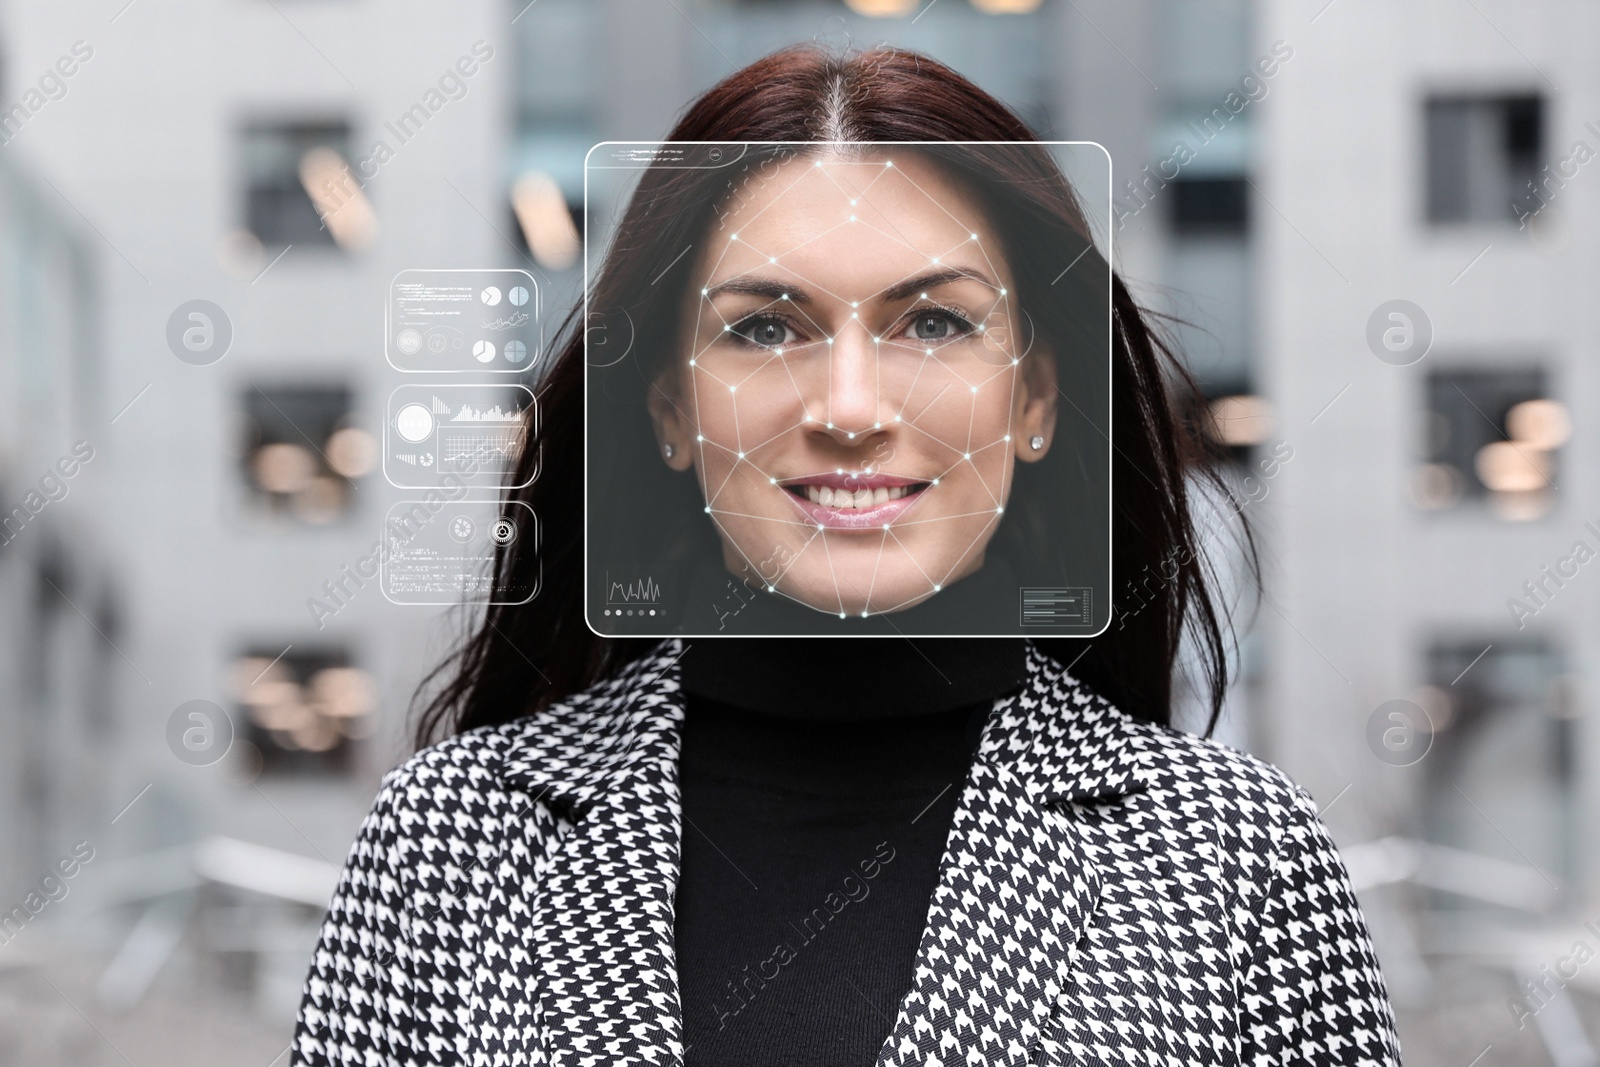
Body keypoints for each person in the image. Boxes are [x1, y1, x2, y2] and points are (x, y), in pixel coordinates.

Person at [290, 45, 1402, 1067]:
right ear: (671, 407)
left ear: (1037, 399)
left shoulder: (1234, 859)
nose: (851, 406)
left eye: (932, 323)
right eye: (766, 327)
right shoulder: (451, 840)